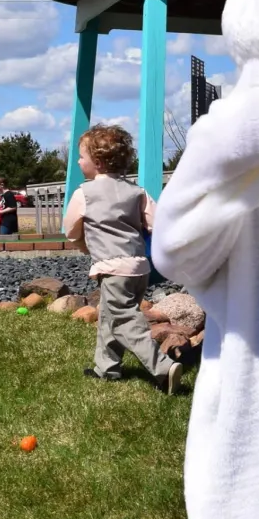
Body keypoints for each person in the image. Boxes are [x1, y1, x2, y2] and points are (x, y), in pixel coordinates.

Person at [63, 124, 182, 395]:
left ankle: (163, 367)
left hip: (113, 268)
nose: (79, 161)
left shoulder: (85, 193)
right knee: (109, 315)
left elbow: (71, 228)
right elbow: (158, 223)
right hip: (139, 267)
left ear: (99, 162)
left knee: (127, 321)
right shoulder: (137, 192)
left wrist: (82, 243)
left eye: (82, 157)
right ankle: (106, 367)